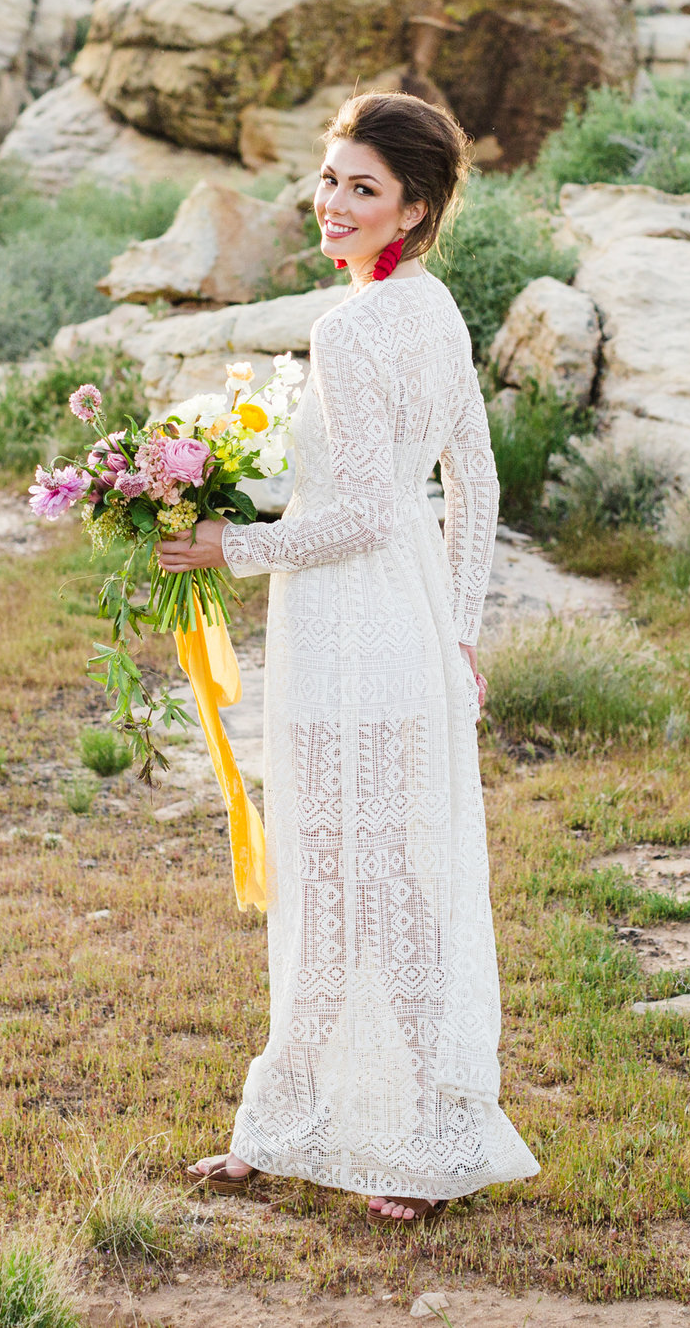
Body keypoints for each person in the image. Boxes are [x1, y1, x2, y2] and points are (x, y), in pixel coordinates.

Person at [158, 90, 540, 1223]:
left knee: (365, 883)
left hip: (356, 626)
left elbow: (369, 512)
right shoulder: (430, 308)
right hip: (401, 622)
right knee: (341, 877)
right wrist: (459, 625)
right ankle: (284, 1118)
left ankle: (434, 1132)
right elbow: (470, 477)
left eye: (361, 188)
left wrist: (232, 544)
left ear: (411, 209)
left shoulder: (356, 325)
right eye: (330, 179)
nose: (333, 201)